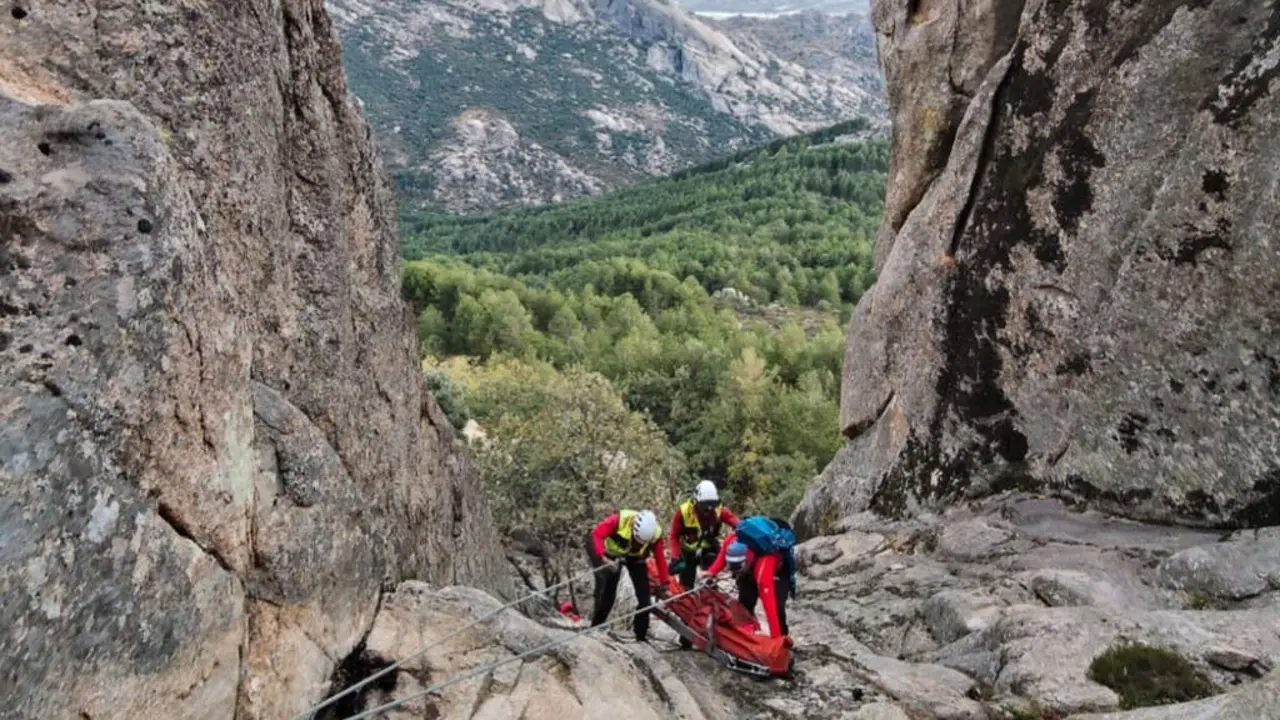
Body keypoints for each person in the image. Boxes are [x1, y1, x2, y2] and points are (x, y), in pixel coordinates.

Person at [701, 516, 796, 640]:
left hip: (778, 571)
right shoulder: (731, 542)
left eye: (738, 569)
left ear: (746, 560)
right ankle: (748, 633)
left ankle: (783, 638)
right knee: (744, 606)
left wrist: (776, 639)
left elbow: (770, 607)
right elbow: (722, 558)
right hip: (750, 568)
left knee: (778, 610)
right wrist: (710, 572)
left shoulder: (764, 567)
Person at [585, 509, 671, 642]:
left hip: (636, 557)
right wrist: (603, 558)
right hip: (613, 555)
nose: (638, 544)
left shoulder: (655, 534)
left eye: (641, 543)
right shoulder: (618, 520)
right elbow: (597, 534)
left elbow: (660, 558)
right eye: (636, 540)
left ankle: (640, 636)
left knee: (645, 601)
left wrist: (665, 583)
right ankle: (595, 627)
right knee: (608, 595)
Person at [669, 480, 741, 591]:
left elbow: (738, 525)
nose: (709, 509)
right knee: (685, 580)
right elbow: (674, 536)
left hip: (708, 549)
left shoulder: (719, 510)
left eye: (712, 505)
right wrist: (675, 557)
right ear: (696, 502)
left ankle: (709, 586)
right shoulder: (683, 512)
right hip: (688, 551)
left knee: (710, 569)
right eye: (705, 506)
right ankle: (687, 590)